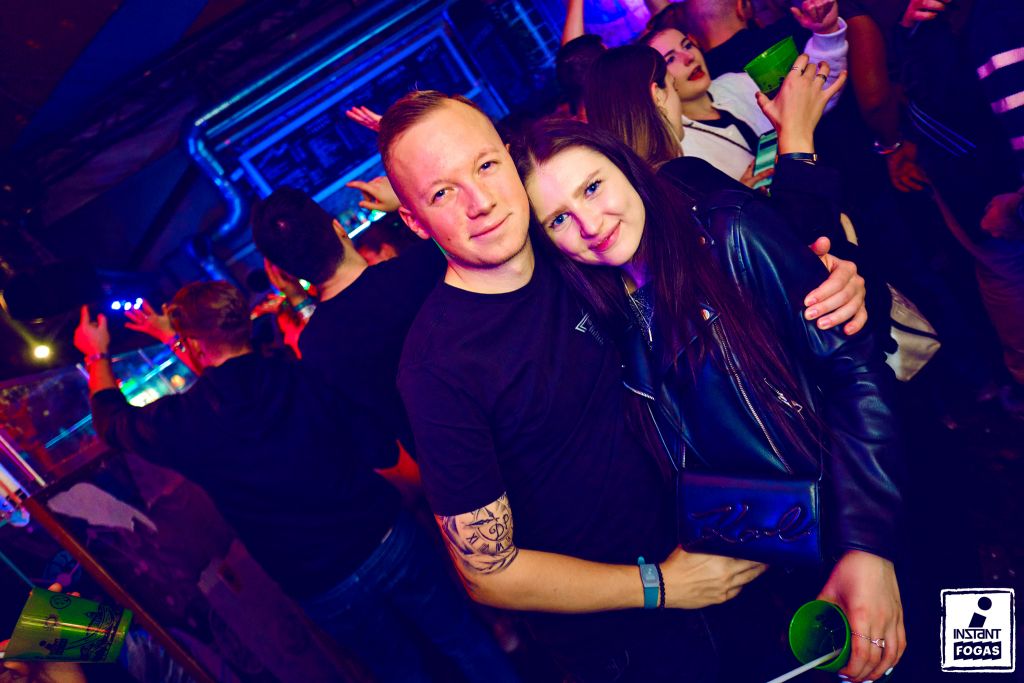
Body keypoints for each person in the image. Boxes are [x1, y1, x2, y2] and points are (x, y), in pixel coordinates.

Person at [379, 90, 867, 681]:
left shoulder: (570, 245)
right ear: (414, 221)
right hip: (631, 641)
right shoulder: (437, 368)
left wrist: (825, 275)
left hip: (734, 549)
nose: (479, 202)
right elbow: (486, 572)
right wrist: (660, 586)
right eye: (441, 193)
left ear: (508, 156)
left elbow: (708, 250)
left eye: (483, 165)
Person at [513, 116, 906, 683]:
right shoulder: (598, 318)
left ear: (627, 167)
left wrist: (866, 546)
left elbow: (855, 375)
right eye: (559, 219)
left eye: (593, 187)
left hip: (856, 518)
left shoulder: (730, 237)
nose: (591, 225)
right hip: (771, 564)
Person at [72, 282, 515, 683]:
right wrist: (180, 336)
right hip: (383, 536)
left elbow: (112, 422)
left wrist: (97, 355)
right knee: (464, 638)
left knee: (402, 673)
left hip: (320, 581)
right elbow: (376, 447)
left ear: (193, 342)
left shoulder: (188, 422)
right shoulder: (295, 368)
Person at [251, 187, 445, 456]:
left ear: (286, 275)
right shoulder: (422, 265)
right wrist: (406, 200)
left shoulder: (315, 347)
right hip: (504, 418)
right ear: (339, 228)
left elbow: (376, 445)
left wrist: (296, 297)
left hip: (448, 462)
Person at [637, 9, 847, 182]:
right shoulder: (679, 149)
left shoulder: (733, 83)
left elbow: (810, 100)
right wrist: (742, 195)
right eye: (671, 59)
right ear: (656, 86)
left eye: (687, 45)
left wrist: (826, 33)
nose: (689, 57)